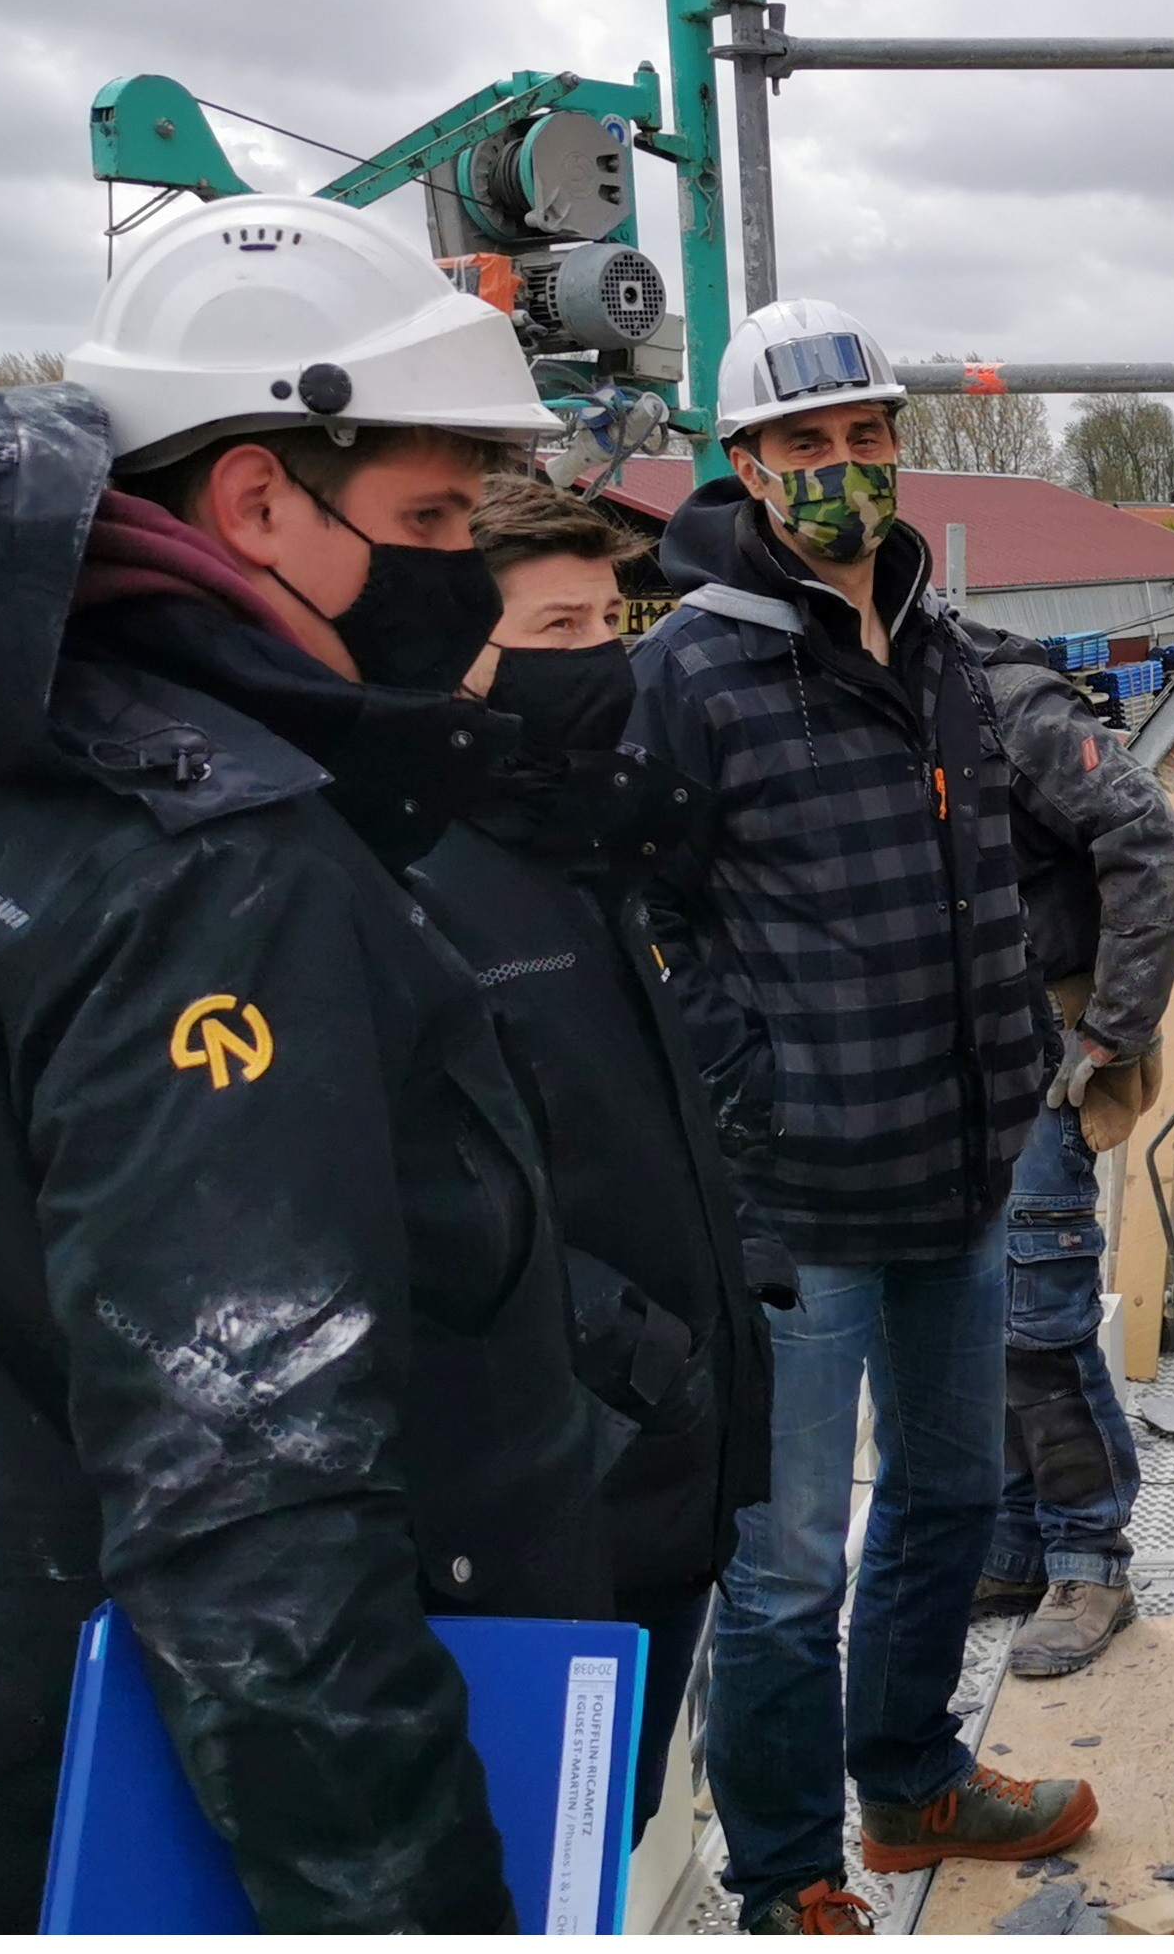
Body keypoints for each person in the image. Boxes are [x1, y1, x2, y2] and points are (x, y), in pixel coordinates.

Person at [0, 195, 612, 1929]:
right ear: (260, 499)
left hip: (30, 1746)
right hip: (229, 1831)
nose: (458, 576)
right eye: (427, 517)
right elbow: (258, 1537)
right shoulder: (210, 860)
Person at [625, 300, 1086, 1936]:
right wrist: (749, 1106)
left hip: (956, 1168)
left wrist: (1025, 1062)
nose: (839, 469)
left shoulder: (936, 642)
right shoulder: (689, 672)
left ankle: (907, 1789)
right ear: (742, 466)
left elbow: (988, 881)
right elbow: (646, 928)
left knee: (952, 1500)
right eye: (801, 447)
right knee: (785, 1567)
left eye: (861, 437)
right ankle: (783, 1876)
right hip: (795, 1200)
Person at [408, 476, 796, 1836]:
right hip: (559, 1475)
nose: (606, 659)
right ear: (460, 649)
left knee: (607, 1832)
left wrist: (732, 1259)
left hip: (659, 1463)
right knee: (542, 1843)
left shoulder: (578, 838)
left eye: (613, 618)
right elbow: (421, 1186)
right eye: (561, 625)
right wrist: (643, 1359)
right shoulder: (412, 878)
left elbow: (642, 1098)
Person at [958, 623, 1174, 1678]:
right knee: (983, 1316)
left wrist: (1113, 1028)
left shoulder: (1013, 707)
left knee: (1041, 1313)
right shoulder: (877, 701)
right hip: (944, 1053)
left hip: (1037, 1042)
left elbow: (1152, 845)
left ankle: (1089, 1554)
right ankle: (1015, 1549)